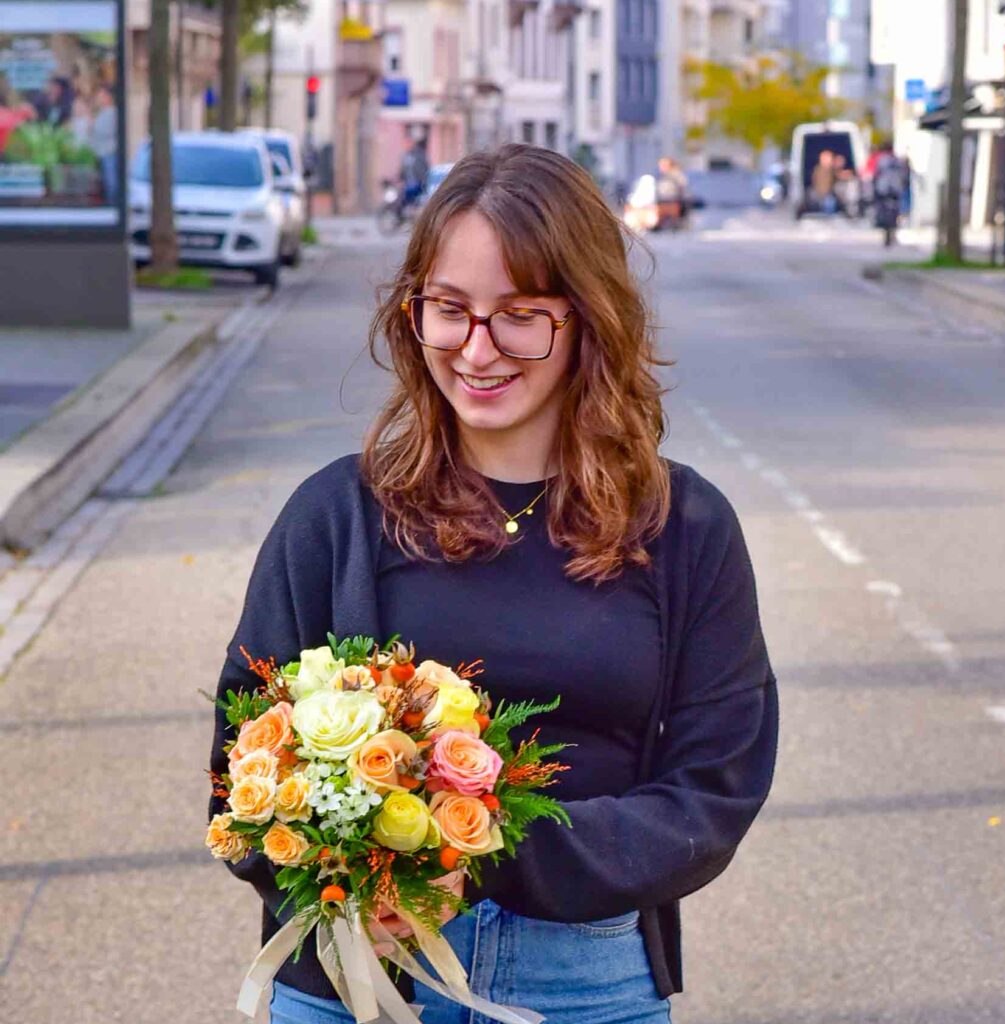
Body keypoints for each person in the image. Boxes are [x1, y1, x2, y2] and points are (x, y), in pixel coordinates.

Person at [209, 144, 778, 1024]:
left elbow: (716, 784)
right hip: (359, 976)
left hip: (586, 986)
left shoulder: (684, 528)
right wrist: (348, 871)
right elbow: (239, 760)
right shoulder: (337, 517)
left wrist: (481, 852)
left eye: (518, 315)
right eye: (449, 310)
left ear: (586, 320)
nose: (476, 350)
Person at [89, 84, 119, 205]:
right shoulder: (101, 113)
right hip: (102, 153)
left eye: (101, 95)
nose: (98, 98)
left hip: (108, 153)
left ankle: (112, 203)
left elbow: (102, 130)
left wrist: (91, 125)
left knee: (111, 182)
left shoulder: (112, 113)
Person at [399, 135, 429, 214]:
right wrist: (400, 180)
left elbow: (424, 169)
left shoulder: (419, 154)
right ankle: (401, 214)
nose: (406, 145)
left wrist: (423, 181)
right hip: (408, 183)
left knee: (408, 194)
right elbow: (402, 171)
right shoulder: (405, 156)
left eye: (408, 143)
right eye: (405, 143)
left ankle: (410, 211)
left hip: (417, 183)